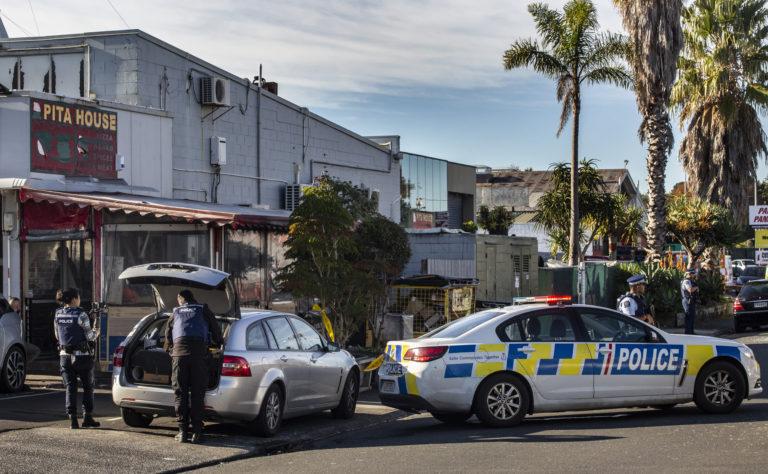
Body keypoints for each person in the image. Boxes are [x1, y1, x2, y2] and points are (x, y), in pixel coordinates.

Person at [164, 289, 223, 444]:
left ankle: (182, 432)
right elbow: (216, 331)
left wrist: (169, 350)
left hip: (179, 356)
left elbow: (168, 335)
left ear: (180, 298)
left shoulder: (176, 312)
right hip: (198, 357)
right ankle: (197, 433)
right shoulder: (203, 309)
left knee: (180, 393)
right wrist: (218, 342)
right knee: (197, 394)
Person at [53, 288, 100, 430]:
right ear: (74, 299)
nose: (79, 299)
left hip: (64, 356)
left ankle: (73, 420)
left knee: (70, 387)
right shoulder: (81, 314)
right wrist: (97, 329)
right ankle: (87, 417)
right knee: (87, 387)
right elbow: (90, 336)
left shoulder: (58, 314)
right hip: (82, 357)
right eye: (78, 297)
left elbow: (57, 335)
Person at [681, 269, 699, 335]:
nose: (693, 275)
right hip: (687, 300)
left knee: (691, 317)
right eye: (692, 274)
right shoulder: (686, 281)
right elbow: (690, 290)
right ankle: (688, 333)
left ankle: (691, 332)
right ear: (688, 274)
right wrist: (696, 288)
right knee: (689, 317)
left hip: (690, 300)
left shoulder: (690, 281)